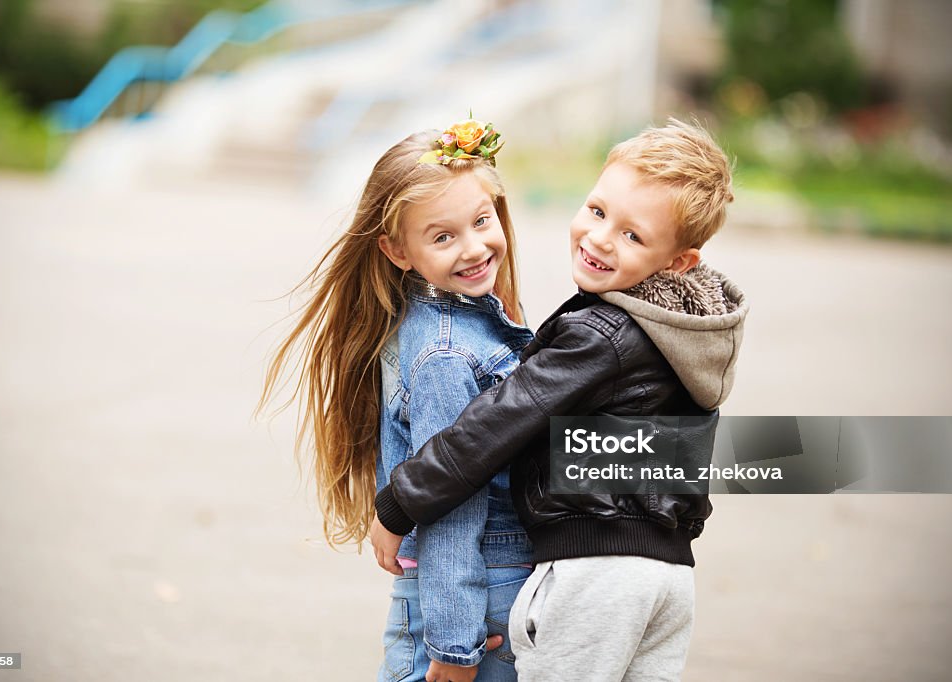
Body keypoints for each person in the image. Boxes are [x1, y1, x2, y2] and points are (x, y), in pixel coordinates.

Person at [371, 119, 750, 681]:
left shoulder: (604, 335)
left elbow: (497, 423)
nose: (600, 238)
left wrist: (399, 502)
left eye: (633, 235)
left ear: (677, 261)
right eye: (598, 212)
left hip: (597, 572)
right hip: (668, 577)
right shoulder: (681, 331)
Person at [256, 118, 535, 682]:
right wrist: (456, 651)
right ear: (396, 250)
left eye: (482, 221)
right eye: (443, 236)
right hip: (480, 590)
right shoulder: (446, 356)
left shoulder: (445, 319)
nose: (475, 247)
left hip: (477, 585)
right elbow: (452, 503)